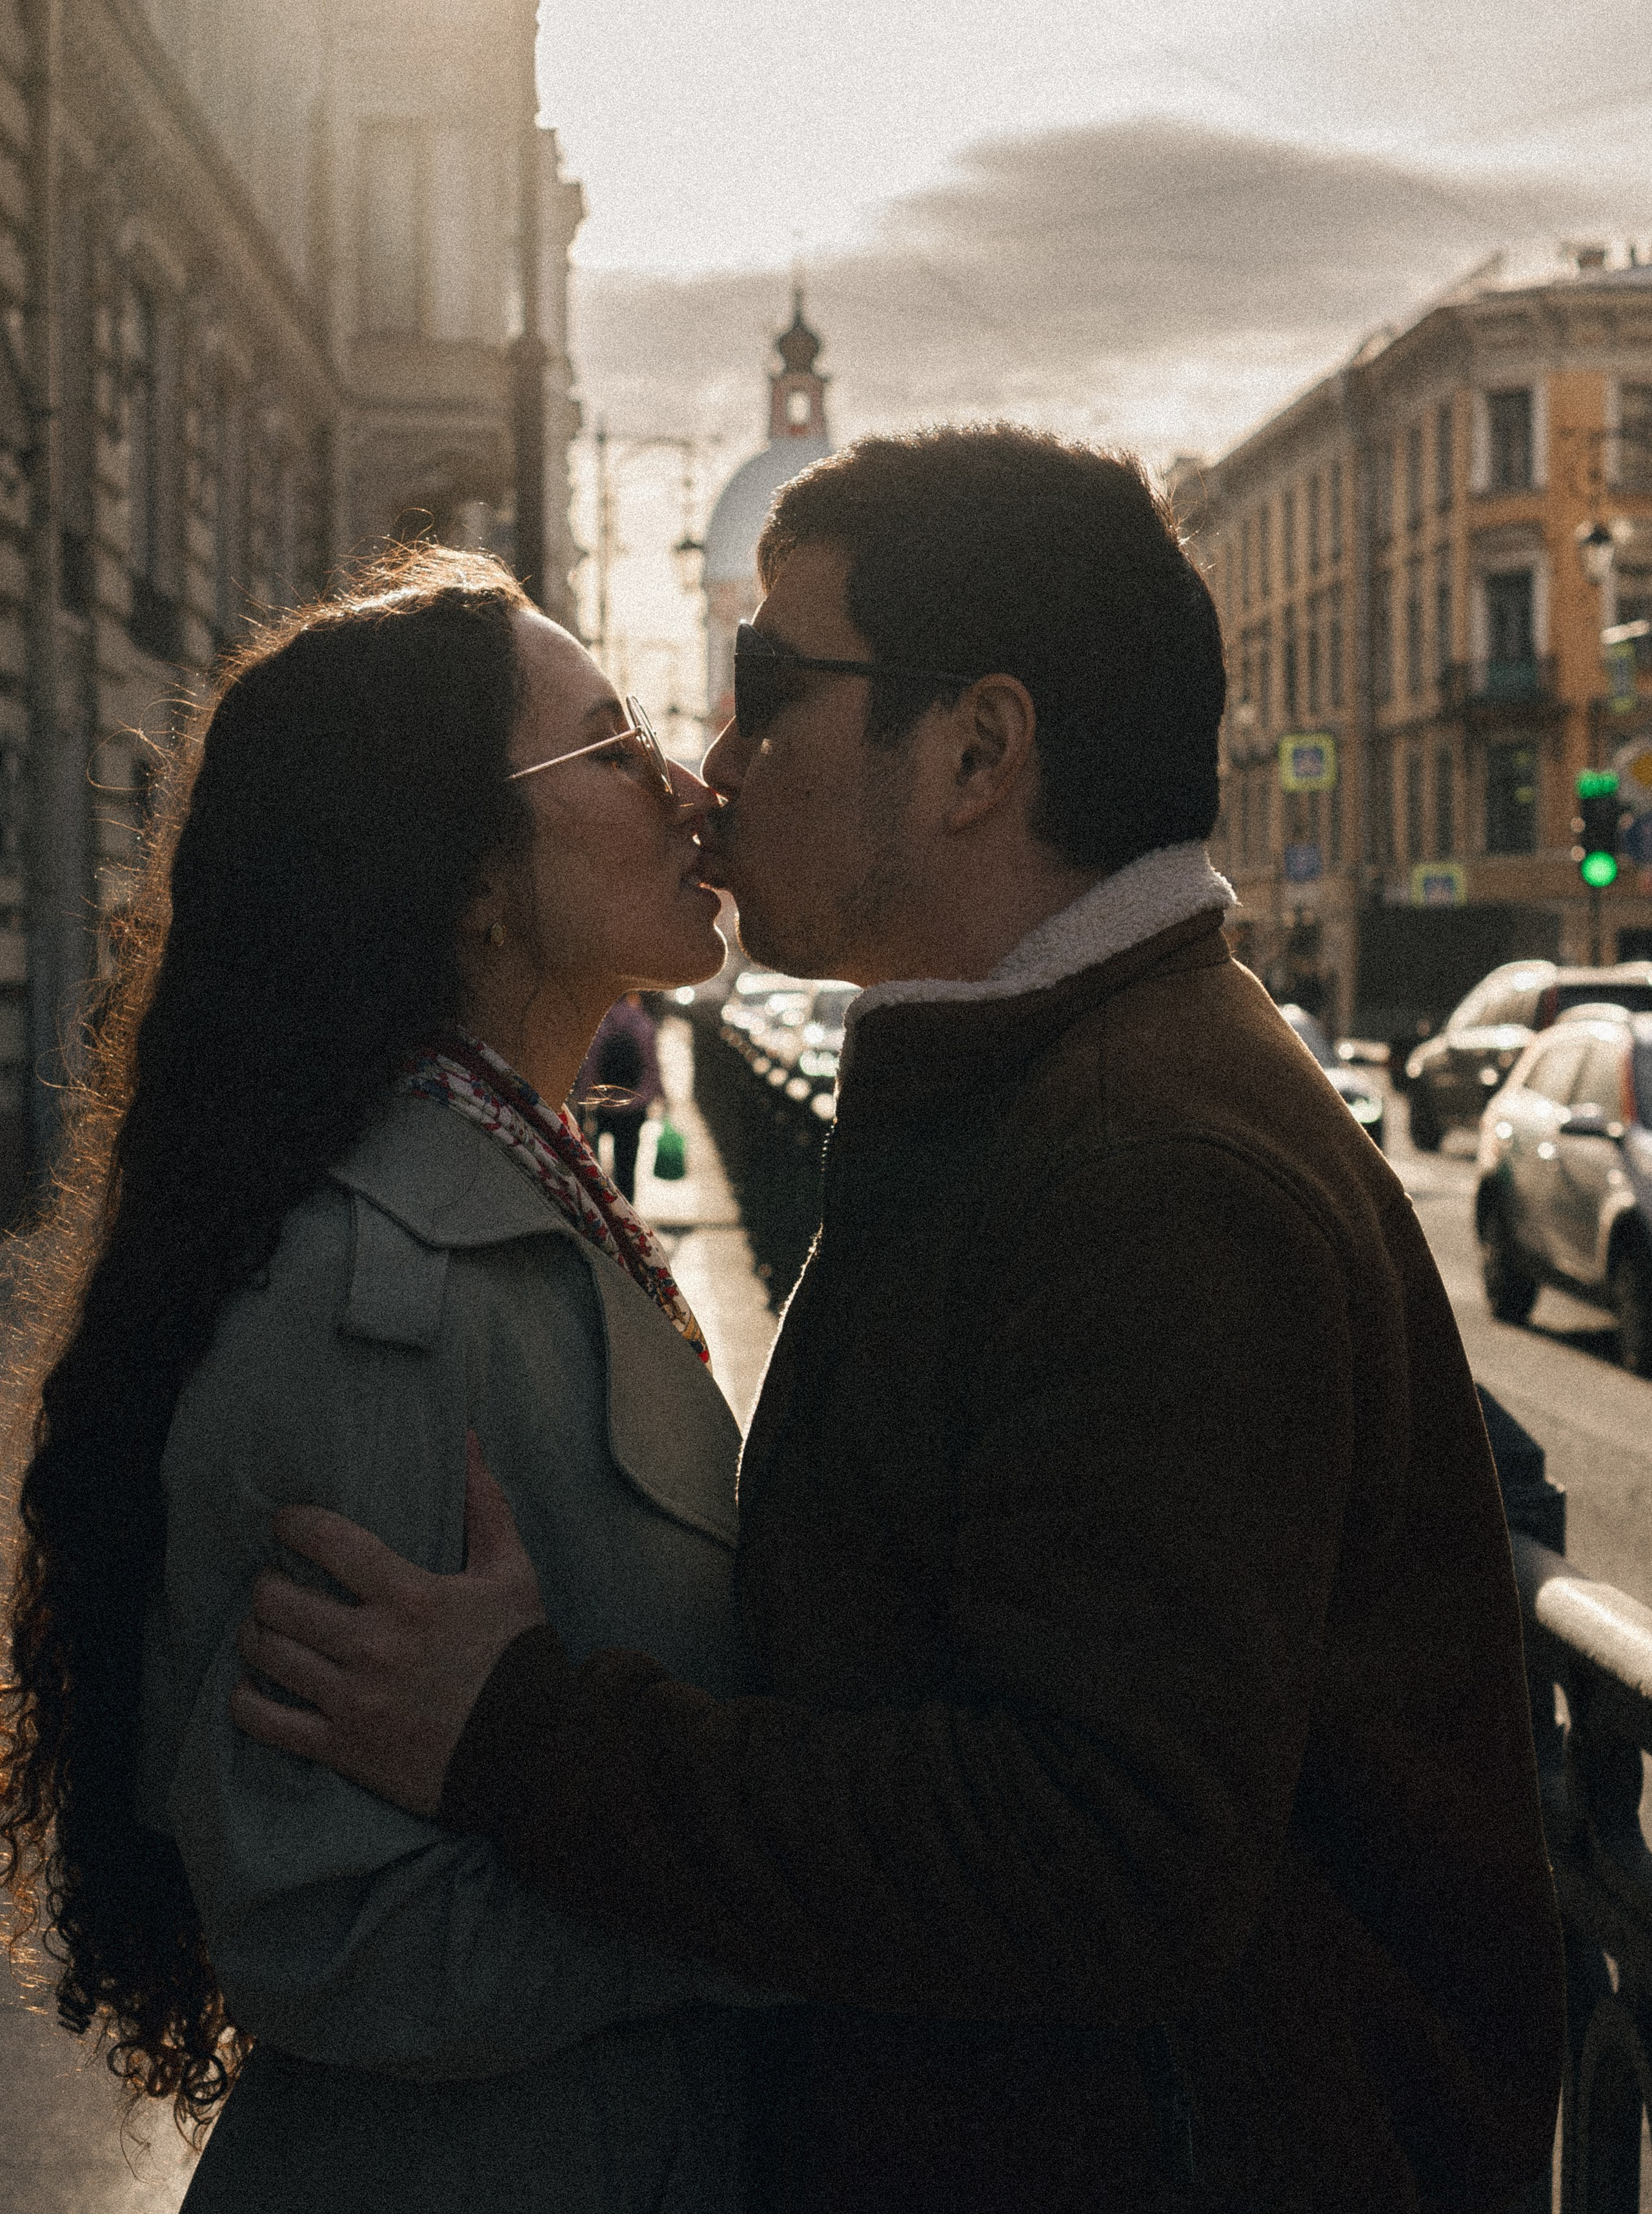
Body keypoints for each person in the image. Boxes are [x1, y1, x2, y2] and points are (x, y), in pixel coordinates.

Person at [234, 430, 1566, 2213]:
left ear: (975, 754)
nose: (717, 761)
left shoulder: (1140, 1168)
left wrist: (528, 1737)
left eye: (770, 688)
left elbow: (1097, 1860)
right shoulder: (1061, 1092)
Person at [0, 550, 765, 2212]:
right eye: (615, 751)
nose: (691, 792)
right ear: (471, 880)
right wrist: (787, 1918)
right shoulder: (381, 1290)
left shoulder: (508, 1192)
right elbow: (338, 1927)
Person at [576, 992, 663, 1200]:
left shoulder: (599, 1024)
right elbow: (652, 1066)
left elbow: (589, 1065)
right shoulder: (643, 1023)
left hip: (602, 1104)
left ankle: (600, 1202)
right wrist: (657, 1095)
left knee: (593, 1159)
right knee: (627, 1162)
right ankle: (627, 1207)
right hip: (634, 1105)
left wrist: (584, 1096)